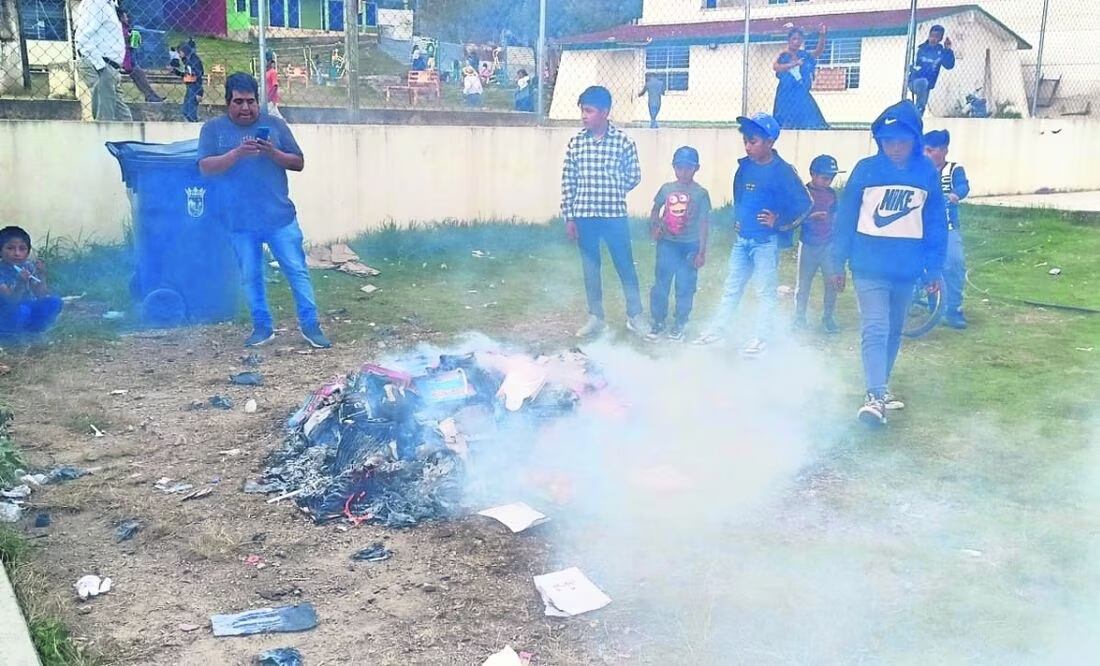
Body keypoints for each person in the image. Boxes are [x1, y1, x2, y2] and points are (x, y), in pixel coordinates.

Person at [830, 100, 947, 426]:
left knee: (894, 331)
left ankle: (880, 388)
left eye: (902, 140)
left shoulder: (926, 173)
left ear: (915, 140)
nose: (894, 147)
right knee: (876, 327)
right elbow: (846, 219)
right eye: (887, 139)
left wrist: (933, 268)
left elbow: (936, 221)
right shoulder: (866, 170)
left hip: (906, 270)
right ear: (878, 139)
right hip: (868, 266)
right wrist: (838, 262)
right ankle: (874, 395)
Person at [197, 73, 331, 349]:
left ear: (258, 102)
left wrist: (272, 152)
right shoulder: (213, 130)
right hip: (238, 221)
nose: (245, 108)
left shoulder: (275, 125)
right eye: (238, 102)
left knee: (296, 270)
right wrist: (236, 154)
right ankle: (262, 327)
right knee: (250, 275)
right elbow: (205, 168)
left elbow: (298, 163)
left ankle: (310, 325)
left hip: (279, 218)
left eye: (251, 102)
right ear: (227, 102)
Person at [693, 112, 811, 355]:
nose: (748, 146)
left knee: (765, 291)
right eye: (745, 140)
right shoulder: (744, 168)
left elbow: (804, 203)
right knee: (732, 287)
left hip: (765, 242)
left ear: (770, 142)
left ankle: (762, 337)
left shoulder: (782, 170)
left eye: (753, 141)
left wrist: (779, 223)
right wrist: (738, 220)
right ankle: (719, 331)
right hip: (742, 240)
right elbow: (740, 197)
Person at [561, 85, 646, 338]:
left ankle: (635, 315)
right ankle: (596, 317)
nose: (584, 116)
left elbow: (634, 175)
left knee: (624, 265)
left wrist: (612, 185)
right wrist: (569, 217)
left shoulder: (623, 141)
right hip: (585, 215)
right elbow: (568, 181)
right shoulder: (576, 143)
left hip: (613, 215)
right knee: (591, 267)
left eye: (589, 111)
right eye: (582, 111)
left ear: (605, 112)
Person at [646, 146, 711, 342]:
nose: (683, 172)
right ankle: (658, 321)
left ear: (696, 168)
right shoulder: (667, 188)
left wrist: (701, 251)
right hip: (667, 244)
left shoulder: (701, 193)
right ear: (673, 167)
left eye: (688, 168)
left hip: (689, 246)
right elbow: (656, 209)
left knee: (685, 285)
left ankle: (680, 323)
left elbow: (704, 222)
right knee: (661, 284)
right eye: (679, 167)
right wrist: (655, 227)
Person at [924, 129, 970, 329]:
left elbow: (963, 186)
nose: (925, 154)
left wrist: (954, 195)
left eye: (930, 150)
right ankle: (931, 301)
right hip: (921, 226)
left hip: (947, 226)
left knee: (955, 262)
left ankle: (954, 308)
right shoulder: (919, 169)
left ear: (943, 151)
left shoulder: (954, 169)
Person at [793, 154, 844, 335]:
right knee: (804, 283)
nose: (828, 181)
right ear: (813, 175)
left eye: (831, 178)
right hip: (808, 244)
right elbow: (795, 219)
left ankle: (828, 317)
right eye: (825, 178)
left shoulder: (831, 195)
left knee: (831, 283)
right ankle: (799, 317)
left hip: (828, 245)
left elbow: (836, 218)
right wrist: (811, 217)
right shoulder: (804, 193)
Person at [0, 226, 63, 340]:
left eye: (22, 248)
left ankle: (34, 331)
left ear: (28, 252)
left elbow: (41, 294)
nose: (17, 253)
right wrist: (20, 284)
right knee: (22, 311)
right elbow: (10, 301)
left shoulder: (28, 266)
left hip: (26, 309)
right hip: (6, 314)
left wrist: (42, 274)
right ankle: (12, 337)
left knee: (54, 301)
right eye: (10, 248)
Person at [74, 0, 132, 121]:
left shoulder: (110, 5)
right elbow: (82, 37)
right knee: (106, 120)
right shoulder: (96, 3)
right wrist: (101, 67)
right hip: (101, 65)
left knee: (124, 119)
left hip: (110, 67)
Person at [772, 25, 828, 130]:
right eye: (794, 39)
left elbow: (817, 52)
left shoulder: (803, 55)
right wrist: (794, 64)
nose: (796, 42)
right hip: (786, 93)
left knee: (810, 117)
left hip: (800, 91)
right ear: (789, 40)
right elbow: (776, 67)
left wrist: (822, 36)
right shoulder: (784, 55)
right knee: (786, 121)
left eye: (799, 39)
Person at [117, 7, 164, 103]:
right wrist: (130, 37)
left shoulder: (125, 27)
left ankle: (151, 95)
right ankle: (151, 95)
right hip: (126, 59)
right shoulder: (120, 28)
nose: (127, 19)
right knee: (140, 76)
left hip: (129, 57)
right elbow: (124, 41)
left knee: (139, 77)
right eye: (125, 17)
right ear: (121, 17)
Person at [908, 25, 956, 116]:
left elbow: (949, 65)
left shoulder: (941, 52)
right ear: (929, 35)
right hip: (915, 81)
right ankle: (916, 111)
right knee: (922, 84)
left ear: (940, 39)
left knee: (921, 108)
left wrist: (948, 50)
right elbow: (912, 64)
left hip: (927, 85)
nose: (933, 39)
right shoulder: (921, 49)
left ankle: (917, 117)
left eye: (937, 36)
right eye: (932, 35)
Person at [172, 41, 204, 122]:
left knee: (191, 110)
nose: (179, 55)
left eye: (179, 53)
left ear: (184, 51)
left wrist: (199, 93)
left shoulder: (195, 61)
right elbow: (186, 75)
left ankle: (194, 123)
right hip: (189, 86)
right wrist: (174, 71)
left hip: (195, 87)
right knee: (185, 111)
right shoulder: (187, 60)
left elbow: (199, 77)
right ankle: (190, 122)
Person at [265, 54, 283, 119]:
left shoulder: (272, 72)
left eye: (267, 60)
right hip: (266, 98)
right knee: (273, 114)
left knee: (273, 114)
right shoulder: (265, 72)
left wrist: (269, 97)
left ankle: (284, 125)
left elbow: (275, 86)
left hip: (271, 99)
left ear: (270, 62)